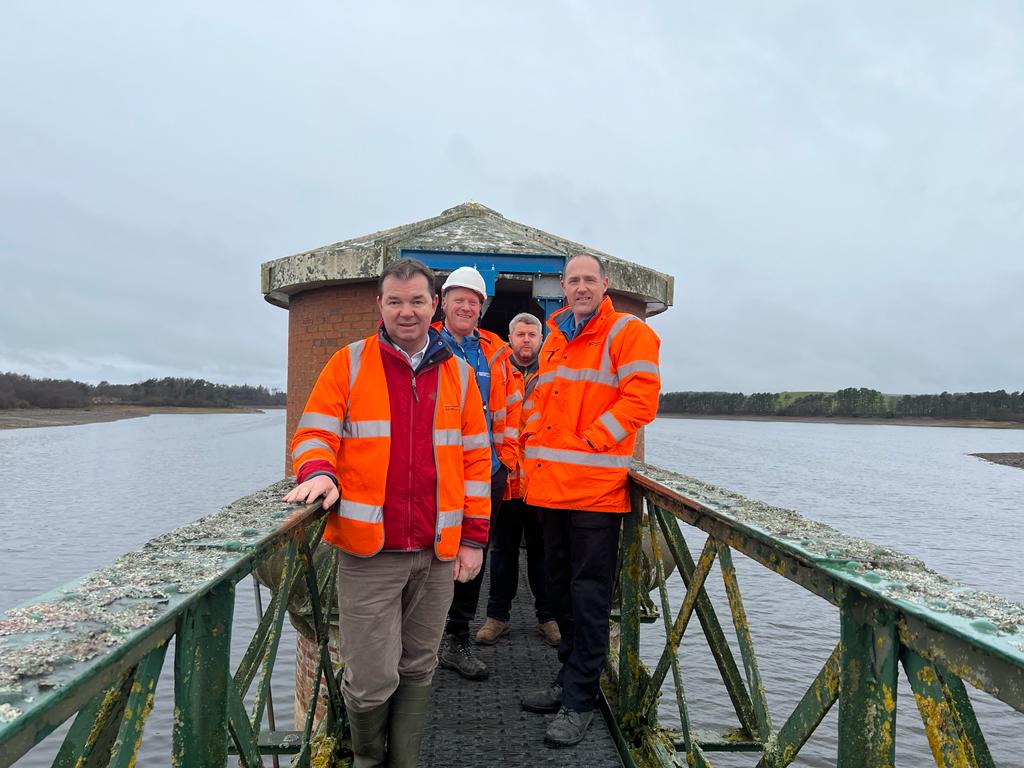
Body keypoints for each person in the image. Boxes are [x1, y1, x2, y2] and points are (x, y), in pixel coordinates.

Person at [284, 258, 491, 767]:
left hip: (437, 551)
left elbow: (476, 460)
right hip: (369, 550)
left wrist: (472, 538)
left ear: (434, 306)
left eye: (417, 301)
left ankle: (404, 761)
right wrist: (317, 472)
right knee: (371, 675)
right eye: (395, 302)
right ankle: (368, 758)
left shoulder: (460, 375)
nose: (406, 312)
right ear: (379, 306)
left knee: (419, 665)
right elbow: (314, 432)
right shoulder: (349, 363)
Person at [520, 252, 661, 748]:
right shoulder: (555, 336)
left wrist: (593, 440)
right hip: (549, 487)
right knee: (557, 592)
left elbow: (642, 399)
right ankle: (568, 678)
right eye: (572, 280)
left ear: (605, 284)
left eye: (589, 279)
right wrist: (531, 443)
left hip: (595, 493)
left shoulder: (626, 333)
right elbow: (540, 399)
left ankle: (580, 699)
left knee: (588, 596)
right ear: (562, 286)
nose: (580, 287)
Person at [433, 266, 522, 680]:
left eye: (474, 301)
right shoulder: (427, 343)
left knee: (474, 554)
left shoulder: (496, 351)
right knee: (431, 551)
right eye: (459, 299)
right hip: (438, 470)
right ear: (442, 302)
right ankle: (422, 638)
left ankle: (455, 637)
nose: (467, 306)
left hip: (487, 471)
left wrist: (506, 458)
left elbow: (514, 407)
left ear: (482, 308)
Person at [477, 311, 560, 647]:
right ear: (509, 338)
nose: (526, 340)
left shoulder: (553, 373)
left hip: (541, 482)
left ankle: (548, 617)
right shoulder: (497, 372)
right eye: (520, 334)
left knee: (543, 553)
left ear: (541, 339)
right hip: (508, 479)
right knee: (503, 552)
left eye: (532, 335)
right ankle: (497, 618)